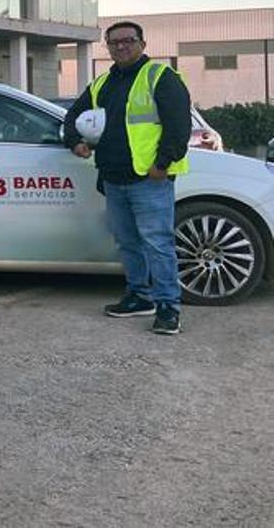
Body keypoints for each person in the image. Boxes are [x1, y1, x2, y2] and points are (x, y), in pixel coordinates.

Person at [64, 20, 191, 335]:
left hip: (150, 178)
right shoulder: (101, 84)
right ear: (108, 47)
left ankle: (168, 306)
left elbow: (179, 125)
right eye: (114, 42)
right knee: (127, 242)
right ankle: (139, 296)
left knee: (158, 243)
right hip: (113, 177)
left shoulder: (160, 77)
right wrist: (74, 142)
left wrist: (162, 163)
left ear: (142, 44)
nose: (121, 46)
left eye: (128, 40)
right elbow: (72, 116)